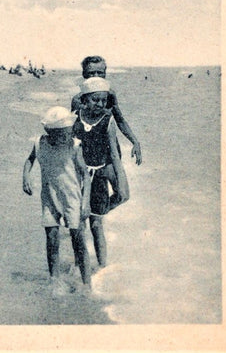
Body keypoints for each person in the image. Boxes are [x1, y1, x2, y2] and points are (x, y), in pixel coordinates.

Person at [22, 106, 92, 292]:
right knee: (51, 237)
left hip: (72, 198)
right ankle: (54, 278)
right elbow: (30, 160)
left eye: (68, 133)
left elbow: (85, 175)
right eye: (61, 134)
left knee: (77, 238)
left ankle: (86, 283)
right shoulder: (40, 143)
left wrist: (85, 203)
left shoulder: (74, 146)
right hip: (49, 196)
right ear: (49, 132)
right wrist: (26, 177)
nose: (66, 138)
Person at [73, 77, 129, 268]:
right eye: (95, 100)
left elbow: (114, 154)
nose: (100, 104)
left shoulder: (107, 121)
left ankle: (102, 266)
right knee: (78, 226)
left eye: (104, 100)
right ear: (85, 100)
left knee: (96, 224)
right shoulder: (75, 117)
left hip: (98, 177)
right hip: (77, 176)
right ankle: (80, 267)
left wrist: (120, 180)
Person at [70, 56, 143, 165]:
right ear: (84, 75)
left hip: (108, 149)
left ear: (105, 74)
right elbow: (71, 129)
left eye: (100, 73)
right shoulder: (77, 99)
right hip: (86, 150)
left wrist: (135, 142)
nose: (96, 76)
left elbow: (120, 121)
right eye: (91, 73)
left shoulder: (110, 96)